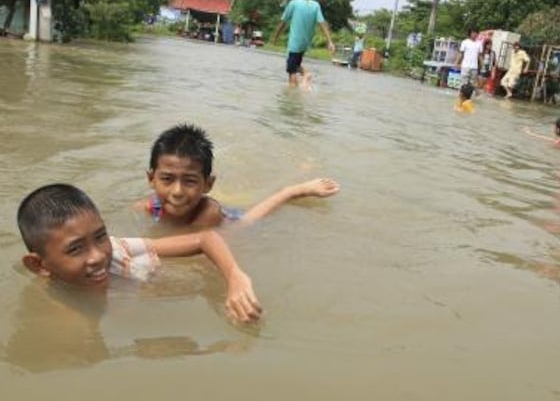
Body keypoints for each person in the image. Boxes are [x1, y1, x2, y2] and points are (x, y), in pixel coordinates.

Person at [17, 183, 262, 322]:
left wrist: (234, 277)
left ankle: (280, 195)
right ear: (39, 266)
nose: (98, 256)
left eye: (100, 236)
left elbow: (205, 238)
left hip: (164, 275)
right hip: (138, 290)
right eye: (75, 249)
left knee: (244, 225)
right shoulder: (50, 301)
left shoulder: (119, 250)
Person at [138, 124, 340, 228]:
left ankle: (292, 191)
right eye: (167, 179)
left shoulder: (209, 214)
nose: (177, 192)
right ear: (151, 179)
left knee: (249, 220)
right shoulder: (149, 206)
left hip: (232, 220)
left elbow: (197, 245)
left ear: (208, 184)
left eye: (190, 181)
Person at [271, 0, 336, 88]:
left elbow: (283, 22)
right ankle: (297, 87)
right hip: (305, 43)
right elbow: (322, 23)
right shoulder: (315, 5)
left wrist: (275, 37)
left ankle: (301, 80)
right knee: (294, 65)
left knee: (291, 69)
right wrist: (330, 41)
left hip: (295, 42)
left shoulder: (294, 3)